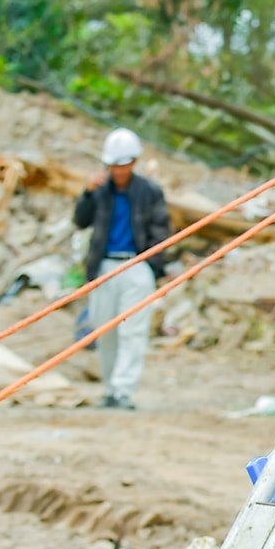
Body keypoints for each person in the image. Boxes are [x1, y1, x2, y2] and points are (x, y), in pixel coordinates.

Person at [73, 127, 172, 410]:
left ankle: (123, 390)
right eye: (114, 165)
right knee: (105, 330)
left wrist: (152, 267)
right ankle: (109, 389)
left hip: (136, 265)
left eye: (123, 164)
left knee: (133, 331)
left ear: (134, 162)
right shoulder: (99, 192)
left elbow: (161, 232)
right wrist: (87, 194)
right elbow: (80, 221)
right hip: (104, 267)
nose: (118, 170)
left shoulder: (150, 192)